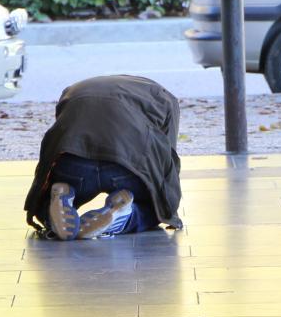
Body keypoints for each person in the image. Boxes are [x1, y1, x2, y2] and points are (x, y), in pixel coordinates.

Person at [23, 75, 183, 240]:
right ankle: (123, 217)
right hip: (127, 167)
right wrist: (168, 207)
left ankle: (58, 204)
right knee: (154, 210)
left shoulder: (72, 90)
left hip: (74, 163)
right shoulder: (164, 97)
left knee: (45, 205)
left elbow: (63, 132)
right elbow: (168, 155)